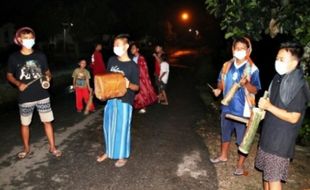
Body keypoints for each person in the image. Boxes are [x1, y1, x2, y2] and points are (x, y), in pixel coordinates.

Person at [255, 42, 310, 190]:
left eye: (282, 59)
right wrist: (261, 113)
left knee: (273, 180)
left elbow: (294, 117)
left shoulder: (298, 85)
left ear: (295, 62)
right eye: (277, 58)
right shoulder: (278, 79)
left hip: (280, 143)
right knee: (266, 177)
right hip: (268, 137)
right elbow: (274, 106)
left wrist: (268, 107)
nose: (277, 62)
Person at [6, 27, 62, 159]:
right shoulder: (14, 58)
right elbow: (9, 75)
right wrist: (18, 83)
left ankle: (52, 147)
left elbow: (47, 72)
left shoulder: (40, 56)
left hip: (42, 95)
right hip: (25, 97)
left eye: (31, 38)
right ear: (19, 40)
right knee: (25, 124)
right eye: (26, 38)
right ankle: (26, 148)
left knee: (47, 121)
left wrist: (48, 77)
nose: (29, 40)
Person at [210, 37, 261, 175]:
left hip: (243, 110)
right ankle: (223, 155)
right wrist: (219, 89)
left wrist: (245, 84)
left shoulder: (252, 69)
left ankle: (240, 165)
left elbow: (255, 90)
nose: (239, 51)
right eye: (236, 48)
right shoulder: (226, 65)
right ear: (232, 49)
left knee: (242, 139)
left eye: (242, 49)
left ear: (248, 50)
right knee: (225, 131)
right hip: (227, 106)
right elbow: (221, 81)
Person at [96, 34, 139, 167]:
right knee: (108, 127)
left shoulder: (132, 66)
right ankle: (109, 151)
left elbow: (137, 87)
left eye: (118, 45)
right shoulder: (112, 60)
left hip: (125, 101)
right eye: (114, 45)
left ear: (126, 46)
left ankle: (122, 155)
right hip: (111, 99)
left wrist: (127, 84)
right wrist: (102, 92)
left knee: (122, 128)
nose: (115, 48)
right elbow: (107, 79)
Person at [130, 42, 157, 113]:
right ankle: (135, 105)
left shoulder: (141, 58)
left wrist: (140, 75)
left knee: (142, 92)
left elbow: (144, 68)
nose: (131, 50)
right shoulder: (132, 58)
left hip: (141, 78)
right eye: (131, 48)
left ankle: (144, 107)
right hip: (133, 78)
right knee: (135, 93)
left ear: (137, 49)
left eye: (133, 48)